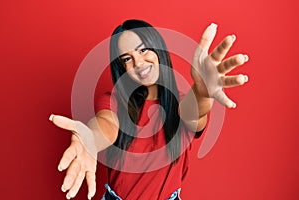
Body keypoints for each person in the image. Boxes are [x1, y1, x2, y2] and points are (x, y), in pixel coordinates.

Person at [49, 19, 249, 200]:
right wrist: (90, 140)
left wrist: (202, 91)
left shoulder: (181, 103)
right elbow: (106, 124)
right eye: (127, 59)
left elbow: (194, 111)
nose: (138, 63)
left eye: (143, 50)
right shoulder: (114, 101)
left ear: (157, 48)